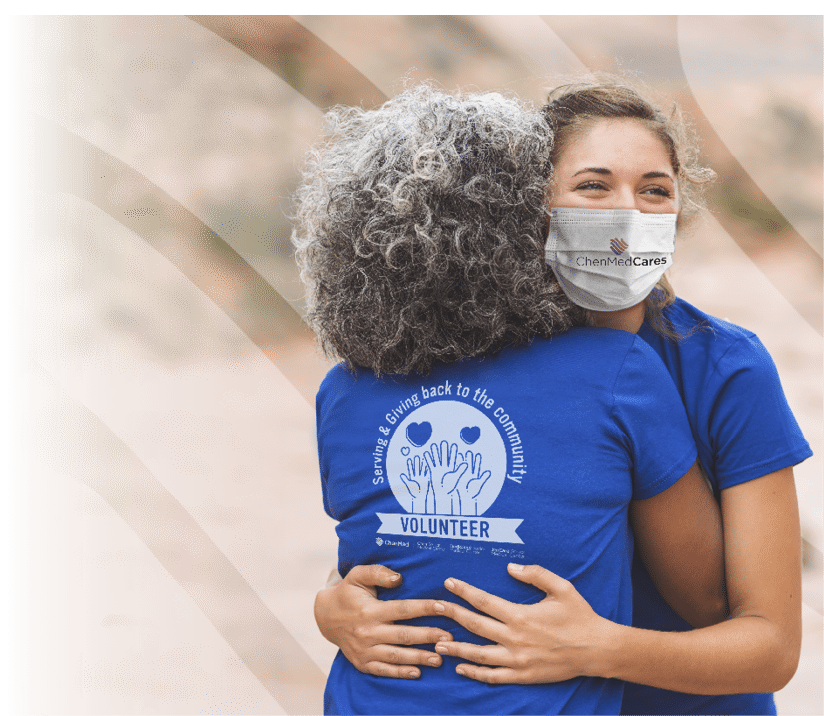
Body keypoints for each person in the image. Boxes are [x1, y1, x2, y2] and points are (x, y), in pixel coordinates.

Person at [313, 81, 810, 715]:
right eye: (593, 186)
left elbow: (770, 647)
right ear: (528, 207)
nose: (627, 213)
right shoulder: (472, 356)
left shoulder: (727, 367)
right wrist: (333, 602)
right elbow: (419, 538)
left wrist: (597, 648)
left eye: (655, 189)